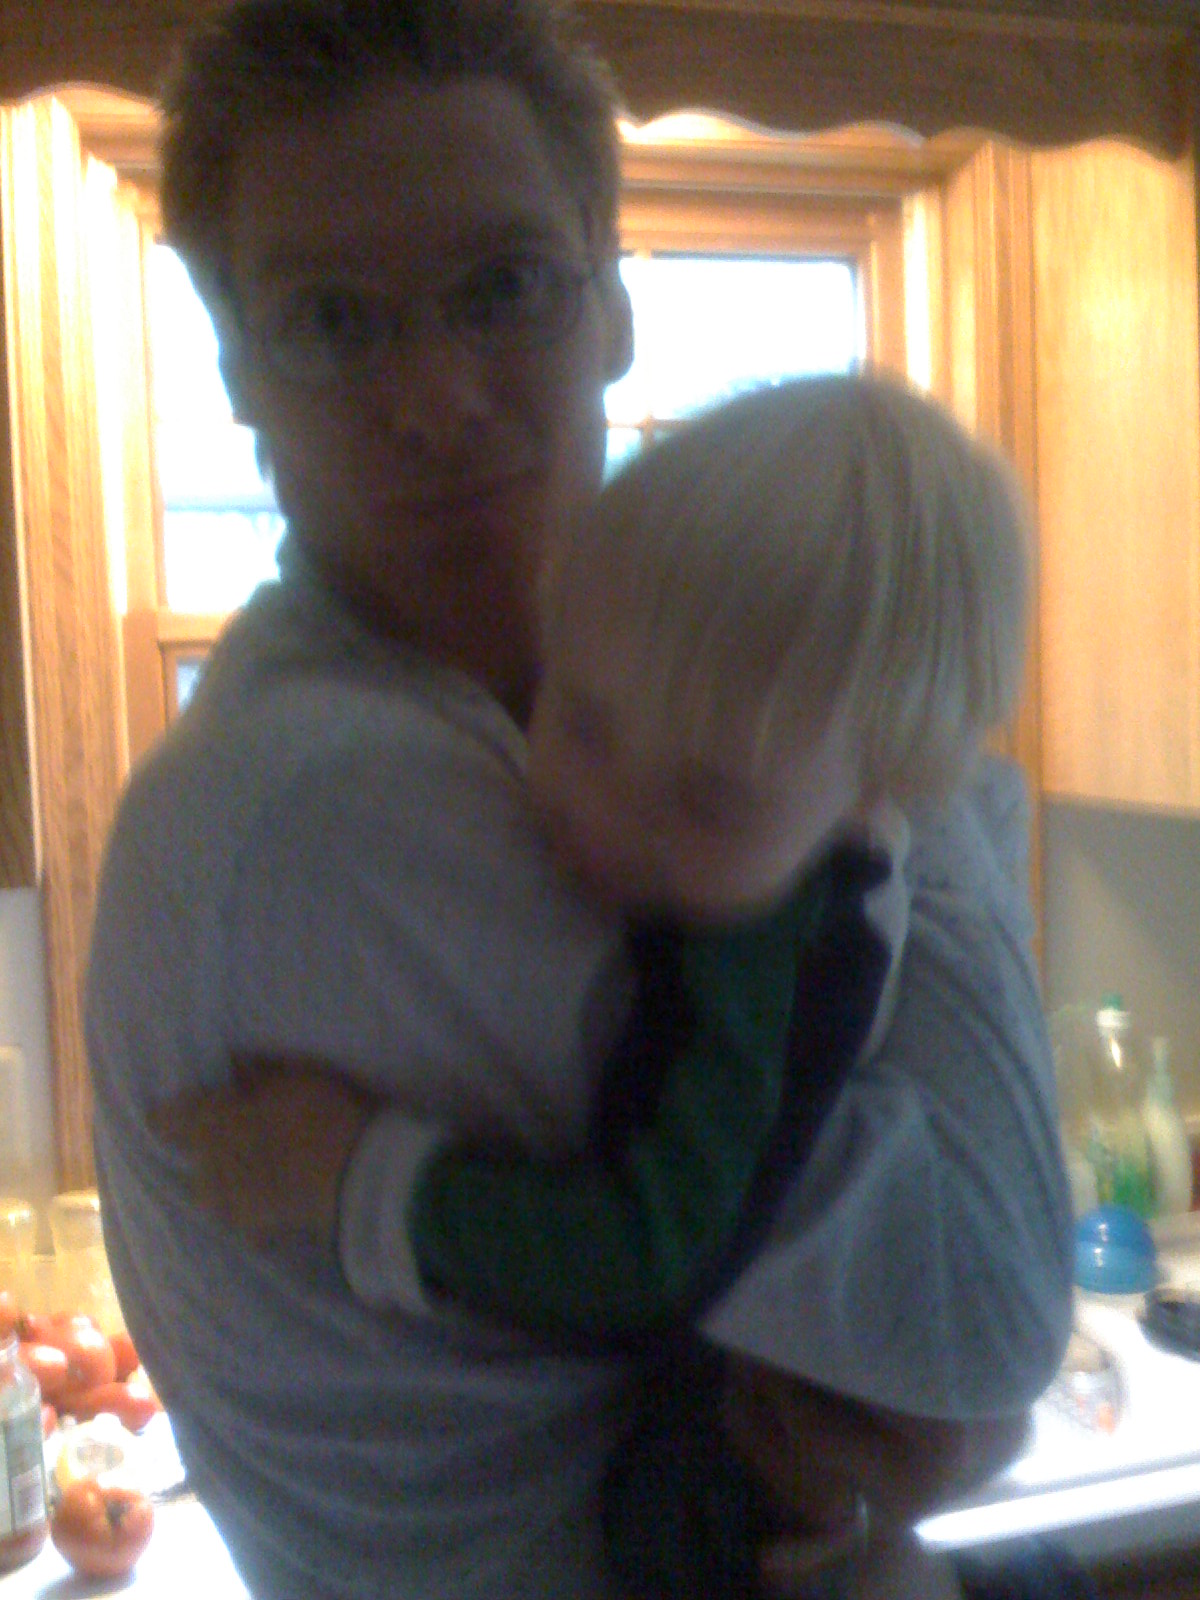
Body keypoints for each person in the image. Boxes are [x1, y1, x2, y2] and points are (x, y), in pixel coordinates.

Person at [83, 3, 1074, 1599]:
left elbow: (953, 1361)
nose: (435, 396)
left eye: (504, 287)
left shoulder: (596, 702)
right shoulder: (334, 801)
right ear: (236, 375)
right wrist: (896, 736)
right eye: (331, 320)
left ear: (615, 308)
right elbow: (986, 1306)